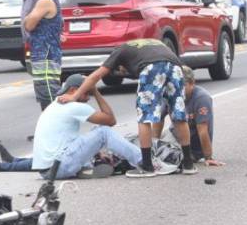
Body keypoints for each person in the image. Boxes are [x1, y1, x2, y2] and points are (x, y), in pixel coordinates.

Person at [58, 38, 198, 177]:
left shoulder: (119, 51)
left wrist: (74, 96)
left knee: (144, 117)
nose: (124, 72)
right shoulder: (149, 43)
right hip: (176, 67)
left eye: (121, 70)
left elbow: (95, 76)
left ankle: (147, 167)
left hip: (152, 67)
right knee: (178, 115)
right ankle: (188, 164)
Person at [0, 74, 142, 178]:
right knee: (104, 132)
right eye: (88, 92)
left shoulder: (55, 104)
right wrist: (97, 92)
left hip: (47, 169)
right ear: (75, 89)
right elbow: (111, 120)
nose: (89, 97)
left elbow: (69, 140)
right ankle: (145, 161)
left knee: (95, 132)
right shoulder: (74, 105)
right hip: (59, 168)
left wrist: (95, 150)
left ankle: (87, 166)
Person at [153, 66, 223, 166]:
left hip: (192, 147)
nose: (178, 89)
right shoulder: (170, 94)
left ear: (192, 83)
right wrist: (154, 144)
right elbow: (158, 120)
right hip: (173, 135)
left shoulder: (202, 98)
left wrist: (208, 157)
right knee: (142, 144)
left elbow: (203, 130)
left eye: (182, 85)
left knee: (167, 159)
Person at [23, 0, 62, 110]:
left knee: (48, 96)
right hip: (47, 54)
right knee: (45, 94)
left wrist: (27, 18)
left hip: (45, 56)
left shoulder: (45, 1)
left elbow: (28, 25)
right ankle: (47, 131)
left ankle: (52, 131)